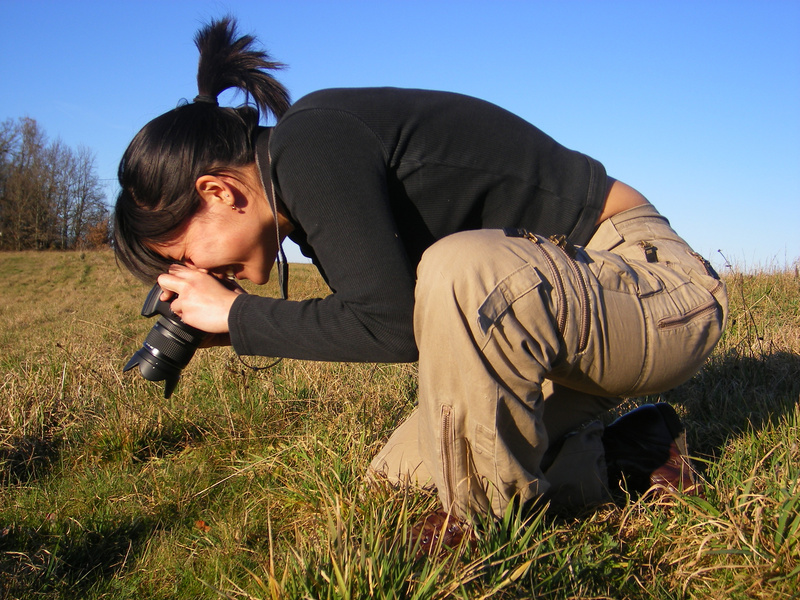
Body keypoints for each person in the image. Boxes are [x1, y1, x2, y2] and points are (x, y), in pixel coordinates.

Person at [114, 17, 727, 549]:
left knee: (459, 267)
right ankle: (634, 454)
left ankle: (478, 523)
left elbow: (388, 324)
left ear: (218, 192)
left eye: (182, 253)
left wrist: (238, 316)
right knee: (399, 474)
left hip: (655, 291)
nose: (194, 272)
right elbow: (395, 321)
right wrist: (227, 324)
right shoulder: (300, 192)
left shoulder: (310, 142)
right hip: (560, 328)